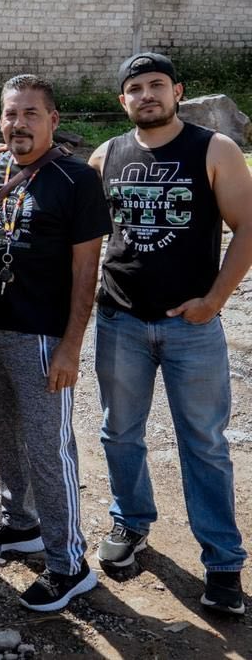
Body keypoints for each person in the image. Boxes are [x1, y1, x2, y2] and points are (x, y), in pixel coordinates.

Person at [89, 52, 252, 617]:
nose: (146, 95)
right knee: (119, 434)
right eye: (135, 88)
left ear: (178, 91)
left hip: (191, 327)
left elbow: (248, 226)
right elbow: (76, 220)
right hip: (119, 321)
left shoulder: (214, 150)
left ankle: (223, 562)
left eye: (157, 85)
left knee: (205, 444)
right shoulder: (107, 154)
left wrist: (215, 300)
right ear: (123, 101)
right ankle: (131, 523)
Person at [0, 75, 110, 612]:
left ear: (53, 121)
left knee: (50, 449)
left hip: (44, 337)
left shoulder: (76, 180)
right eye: (10, 114)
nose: (17, 124)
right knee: (2, 431)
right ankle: (20, 525)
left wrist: (71, 347)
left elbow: (86, 271)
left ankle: (70, 563)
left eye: (30, 114)